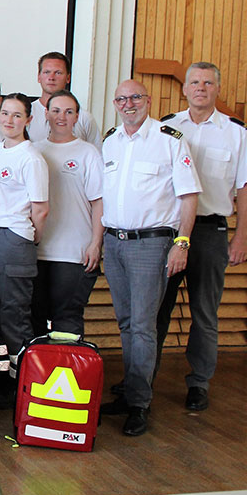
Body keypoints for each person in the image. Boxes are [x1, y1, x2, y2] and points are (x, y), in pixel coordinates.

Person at [98, 80, 200, 437]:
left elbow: (189, 196)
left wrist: (182, 243)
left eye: (135, 97)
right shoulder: (110, 141)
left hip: (151, 244)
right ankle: (129, 393)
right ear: (115, 104)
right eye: (122, 99)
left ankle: (139, 404)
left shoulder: (169, 139)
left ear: (148, 100)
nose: (129, 104)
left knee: (143, 326)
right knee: (127, 324)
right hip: (114, 243)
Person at [155, 63, 247, 412]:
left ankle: (198, 383)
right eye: (194, 82)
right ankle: (144, 378)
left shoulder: (236, 133)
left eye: (208, 83)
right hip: (170, 231)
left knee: (205, 313)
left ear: (217, 89)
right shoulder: (167, 127)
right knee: (157, 310)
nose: (200, 88)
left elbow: (244, 189)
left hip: (210, 231)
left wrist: (241, 238)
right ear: (185, 89)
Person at [0, 93, 49, 407]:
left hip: (14, 239)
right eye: (5, 113)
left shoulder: (31, 157)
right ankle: (1, 377)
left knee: (14, 316)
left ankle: (23, 385)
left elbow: (40, 209)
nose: (9, 120)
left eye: (17, 115)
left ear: (28, 120)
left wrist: (29, 240)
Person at [31, 90, 104, 336]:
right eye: (56, 111)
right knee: (34, 318)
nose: (61, 117)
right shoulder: (34, 151)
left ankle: (68, 362)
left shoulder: (88, 153)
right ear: (46, 114)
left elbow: (99, 203)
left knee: (67, 320)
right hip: (36, 251)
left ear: (77, 117)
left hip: (74, 253)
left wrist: (95, 243)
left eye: (68, 112)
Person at [27, 52, 101, 146]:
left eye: (58, 73)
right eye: (47, 72)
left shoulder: (84, 118)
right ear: (39, 77)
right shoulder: (27, 114)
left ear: (68, 78)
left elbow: (97, 152)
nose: (51, 78)